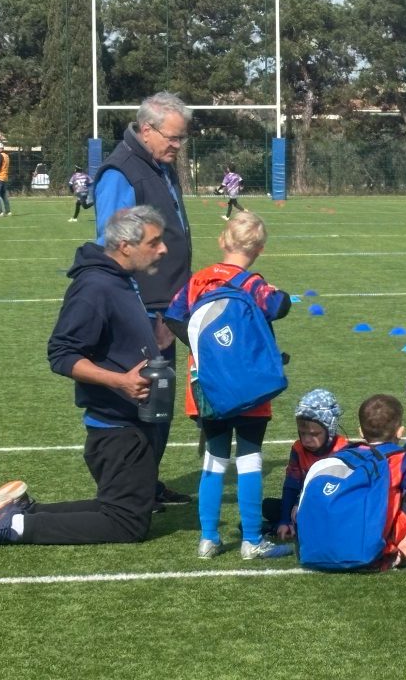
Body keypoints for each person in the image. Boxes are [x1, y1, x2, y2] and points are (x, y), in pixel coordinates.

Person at [0, 206, 168, 552]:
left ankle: (20, 513)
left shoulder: (121, 278)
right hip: (117, 428)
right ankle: (12, 526)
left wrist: (153, 341)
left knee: (121, 509)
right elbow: (62, 353)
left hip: (131, 422)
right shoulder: (95, 286)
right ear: (125, 246)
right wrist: (120, 381)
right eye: (154, 242)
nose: (163, 249)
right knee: (127, 523)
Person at [164, 212, 292, 560]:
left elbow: (173, 316)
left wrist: (204, 349)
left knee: (214, 458)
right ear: (260, 249)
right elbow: (279, 305)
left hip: (207, 383)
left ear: (222, 241)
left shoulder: (198, 280)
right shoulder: (252, 283)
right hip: (250, 383)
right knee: (249, 459)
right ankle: (251, 540)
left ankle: (208, 538)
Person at [94, 91, 194, 509]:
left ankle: (147, 483)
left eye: (181, 138)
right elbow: (115, 250)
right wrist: (144, 316)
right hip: (144, 312)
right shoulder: (121, 171)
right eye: (173, 137)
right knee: (141, 402)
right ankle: (130, 491)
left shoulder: (159, 164)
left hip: (167, 308)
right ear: (147, 129)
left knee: (160, 402)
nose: (178, 145)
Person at [305, 394, 406, 568]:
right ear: (400, 431)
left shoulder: (345, 453)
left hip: (322, 548)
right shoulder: (400, 458)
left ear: (360, 431)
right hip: (373, 548)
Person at [262, 388, 349, 542]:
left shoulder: (343, 451)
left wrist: (301, 504)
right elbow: (291, 485)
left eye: (314, 434)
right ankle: (290, 526)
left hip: (331, 505)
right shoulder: (298, 449)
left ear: (330, 428)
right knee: (268, 506)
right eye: (303, 433)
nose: (307, 440)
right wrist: (285, 520)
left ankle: (284, 528)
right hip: (304, 504)